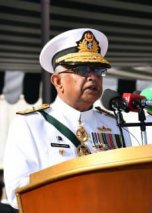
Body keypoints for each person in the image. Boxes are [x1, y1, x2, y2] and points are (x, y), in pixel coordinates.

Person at [3, 28, 132, 210]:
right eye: (82, 69)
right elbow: (18, 192)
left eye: (98, 70)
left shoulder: (115, 125)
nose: (93, 77)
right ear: (57, 81)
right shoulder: (31, 124)